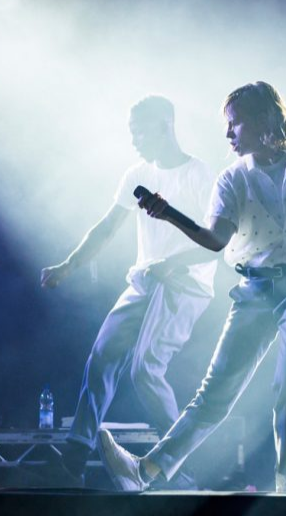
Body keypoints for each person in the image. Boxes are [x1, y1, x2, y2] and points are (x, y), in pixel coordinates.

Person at [97, 81, 286, 493]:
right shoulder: (232, 180)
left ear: (265, 120)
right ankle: (146, 471)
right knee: (216, 393)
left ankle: (285, 477)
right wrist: (169, 212)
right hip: (257, 291)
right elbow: (215, 240)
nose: (227, 133)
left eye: (235, 123)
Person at [40, 96, 217, 487]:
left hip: (186, 284)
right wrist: (67, 267)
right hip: (144, 281)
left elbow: (216, 239)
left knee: (145, 369)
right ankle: (75, 454)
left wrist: (174, 264)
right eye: (130, 131)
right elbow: (106, 228)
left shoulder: (200, 175)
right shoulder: (135, 173)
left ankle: (182, 463)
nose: (134, 139)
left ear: (166, 125)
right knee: (102, 357)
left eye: (140, 130)